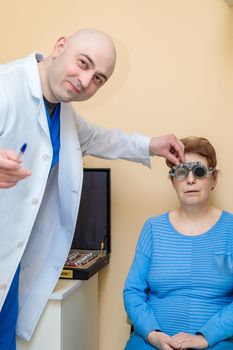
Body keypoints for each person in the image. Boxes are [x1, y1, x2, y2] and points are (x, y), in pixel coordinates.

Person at [0, 28, 184, 349]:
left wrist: (151, 145)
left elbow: (99, 138)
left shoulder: (63, 111)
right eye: (83, 63)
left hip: (9, 268)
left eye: (99, 78)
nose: (86, 81)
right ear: (60, 46)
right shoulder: (6, 86)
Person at [124, 136, 233, 350]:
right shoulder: (153, 229)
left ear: (214, 179)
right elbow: (133, 291)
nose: (190, 180)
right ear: (173, 180)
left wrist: (204, 338)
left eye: (199, 172)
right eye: (182, 172)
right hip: (153, 343)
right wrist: (153, 334)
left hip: (215, 343)